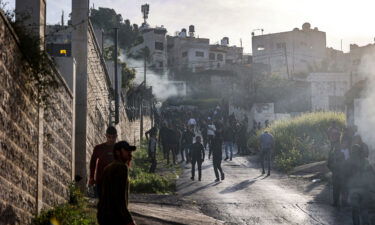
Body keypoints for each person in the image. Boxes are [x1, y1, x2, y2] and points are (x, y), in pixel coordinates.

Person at [97, 141, 137, 225]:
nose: (129, 153)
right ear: (118, 152)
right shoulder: (121, 167)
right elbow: (120, 198)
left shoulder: (108, 168)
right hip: (116, 217)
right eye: (126, 150)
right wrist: (129, 219)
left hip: (104, 215)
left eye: (130, 151)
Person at [89, 126, 117, 197]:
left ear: (116, 136)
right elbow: (93, 163)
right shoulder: (99, 148)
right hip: (101, 180)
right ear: (106, 136)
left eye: (113, 137)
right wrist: (92, 177)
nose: (111, 139)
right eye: (109, 137)